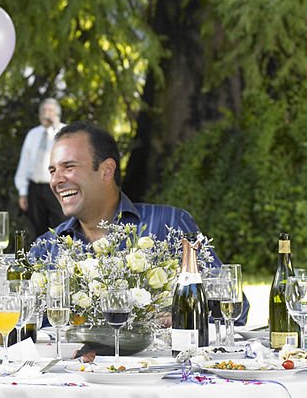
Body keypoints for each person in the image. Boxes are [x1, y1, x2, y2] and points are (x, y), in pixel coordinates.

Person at [29, 121, 248, 322]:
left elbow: (235, 309)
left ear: (106, 170)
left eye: (69, 167)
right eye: (52, 170)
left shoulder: (169, 224)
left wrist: (186, 320)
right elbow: (22, 325)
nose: (57, 180)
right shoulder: (46, 248)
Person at [14, 98, 65, 238]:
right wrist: (23, 192)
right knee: (37, 229)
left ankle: (62, 258)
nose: (45, 114)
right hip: (35, 187)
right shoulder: (33, 134)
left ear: (57, 113)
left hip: (56, 187)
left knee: (61, 225)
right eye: (43, 110)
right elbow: (24, 163)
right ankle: (41, 258)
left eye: (49, 110)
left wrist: (54, 127)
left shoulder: (65, 132)